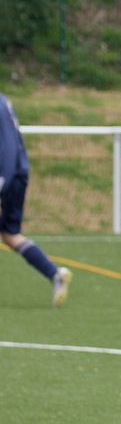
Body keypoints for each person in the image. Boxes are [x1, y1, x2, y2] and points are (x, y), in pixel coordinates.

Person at [0, 92, 72, 307]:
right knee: (11, 235)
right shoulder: (3, 100)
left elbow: (6, 151)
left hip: (7, 177)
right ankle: (55, 273)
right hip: (17, 173)